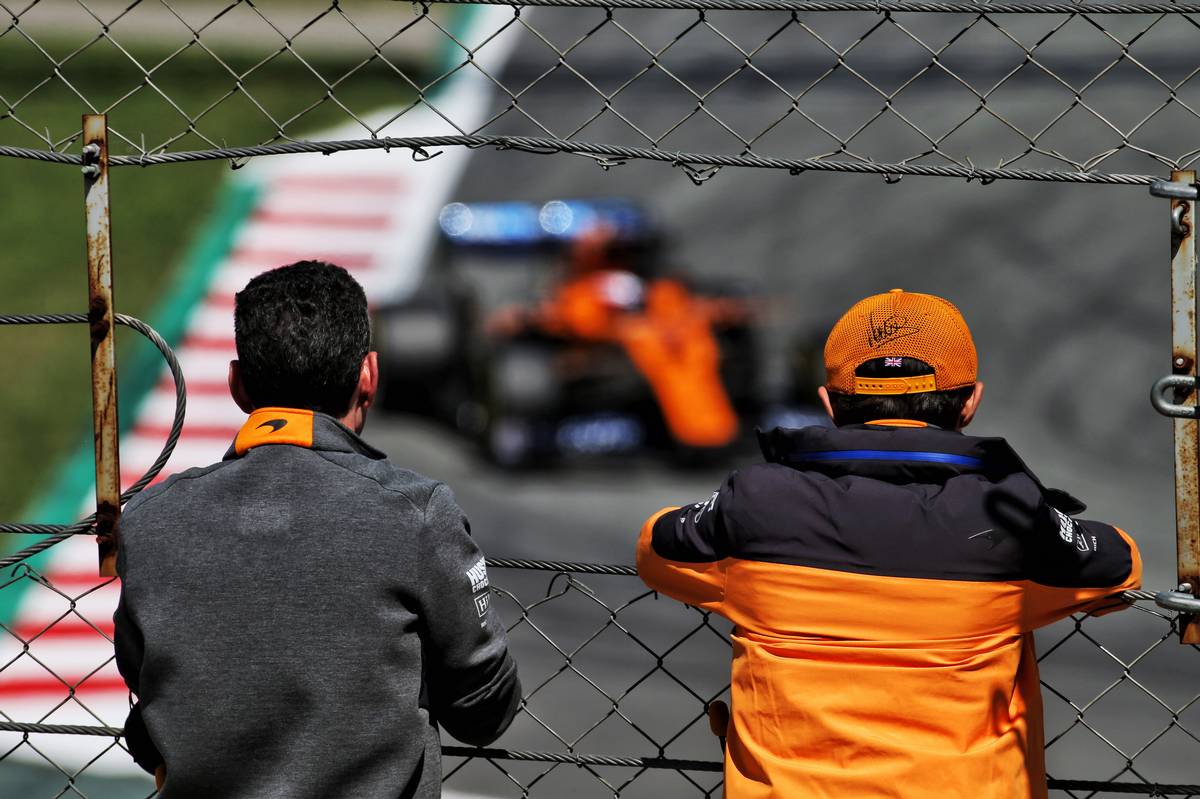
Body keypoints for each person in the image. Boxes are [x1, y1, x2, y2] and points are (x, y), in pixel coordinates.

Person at [635, 288, 1141, 798]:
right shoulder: (1006, 514)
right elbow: (1121, 565)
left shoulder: (756, 501)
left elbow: (656, 546)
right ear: (970, 402)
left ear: (829, 404)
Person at [114, 260, 521, 798]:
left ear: (237, 386)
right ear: (369, 374)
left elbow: (147, 716)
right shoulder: (416, 513)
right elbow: (483, 712)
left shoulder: (149, 520)